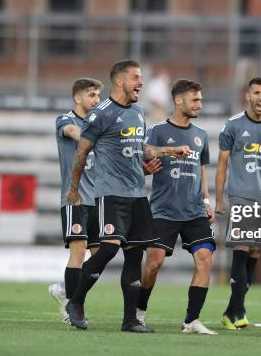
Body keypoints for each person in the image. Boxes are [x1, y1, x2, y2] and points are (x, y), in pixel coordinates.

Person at [64, 60, 190, 332]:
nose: (141, 83)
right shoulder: (101, 114)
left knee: (134, 257)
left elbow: (140, 148)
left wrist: (170, 151)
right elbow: (82, 153)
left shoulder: (137, 112)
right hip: (111, 194)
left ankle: (130, 319)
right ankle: (75, 302)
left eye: (141, 78)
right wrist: (73, 189)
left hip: (137, 195)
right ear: (119, 81)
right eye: (135, 78)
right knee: (108, 248)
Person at [137, 79, 217, 335]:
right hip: (164, 210)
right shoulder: (159, 129)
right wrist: (166, 153)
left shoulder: (201, 135)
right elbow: (145, 153)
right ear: (179, 100)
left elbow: (201, 170)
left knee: (205, 260)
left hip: (194, 210)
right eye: (195, 99)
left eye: (201, 99)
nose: (199, 104)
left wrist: (206, 200)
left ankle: (191, 320)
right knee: (153, 263)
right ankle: (139, 311)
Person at [216, 77, 261, 330]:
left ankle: (230, 312)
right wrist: (220, 198)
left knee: (255, 253)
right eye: (256, 92)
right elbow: (222, 163)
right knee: (241, 249)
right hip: (242, 196)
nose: (260, 97)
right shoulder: (233, 124)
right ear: (248, 96)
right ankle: (240, 312)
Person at [48, 78, 103, 323]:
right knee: (78, 253)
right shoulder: (65, 120)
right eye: (91, 95)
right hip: (75, 198)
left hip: (97, 199)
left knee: (101, 256)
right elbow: (74, 134)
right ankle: (72, 307)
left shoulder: (98, 124)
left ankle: (64, 289)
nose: (97, 100)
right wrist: (99, 137)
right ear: (77, 98)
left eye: (98, 95)